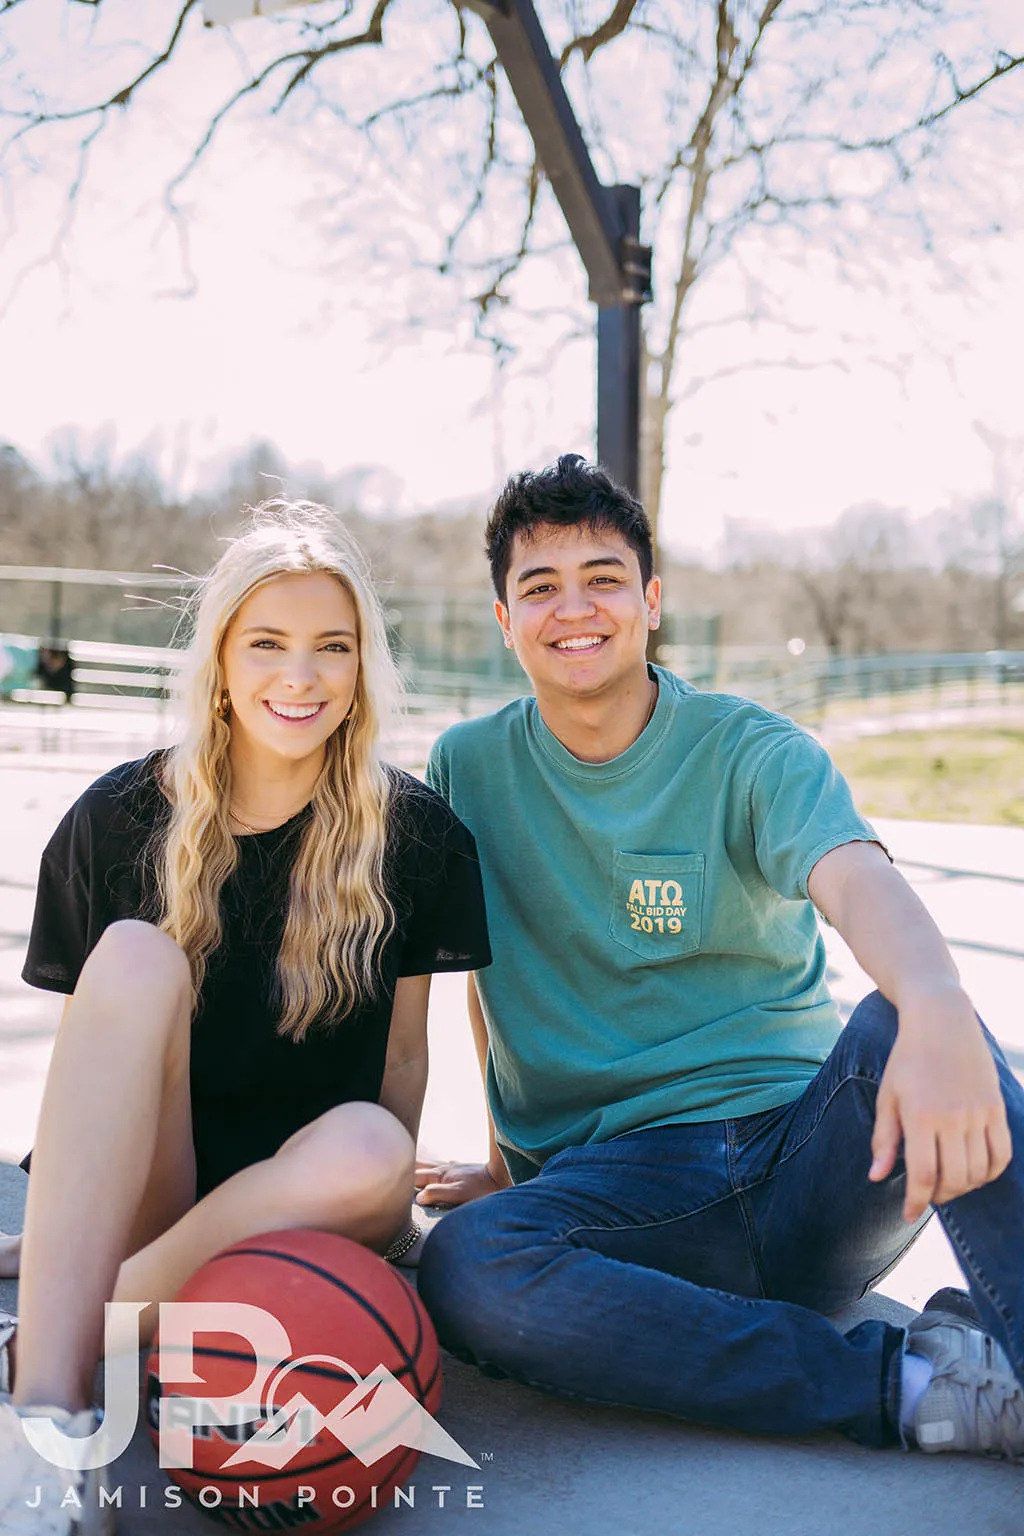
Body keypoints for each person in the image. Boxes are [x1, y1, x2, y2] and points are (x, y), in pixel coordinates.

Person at [414, 454, 1024, 1460]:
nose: (576, 607)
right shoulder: (467, 767)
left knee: (907, 1026)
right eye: (540, 586)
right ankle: (912, 1388)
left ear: (650, 602)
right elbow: (492, 972)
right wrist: (499, 1162)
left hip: (811, 1163)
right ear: (503, 619)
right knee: (471, 1264)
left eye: (604, 578)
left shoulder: (751, 750)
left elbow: (856, 879)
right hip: (622, 1191)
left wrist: (935, 997)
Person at [0, 501, 491, 1532]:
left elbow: (405, 1064)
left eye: (332, 647)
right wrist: (63, 1213)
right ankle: (47, 1414)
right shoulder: (118, 819)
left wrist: (390, 1216)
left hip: (317, 1198)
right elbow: (95, 1069)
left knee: (372, 1143)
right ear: (219, 657)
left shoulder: (420, 836)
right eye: (266, 643)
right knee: (135, 952)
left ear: (363, 667)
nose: (299, 677)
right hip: (162, 1190)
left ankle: (80, 1312)